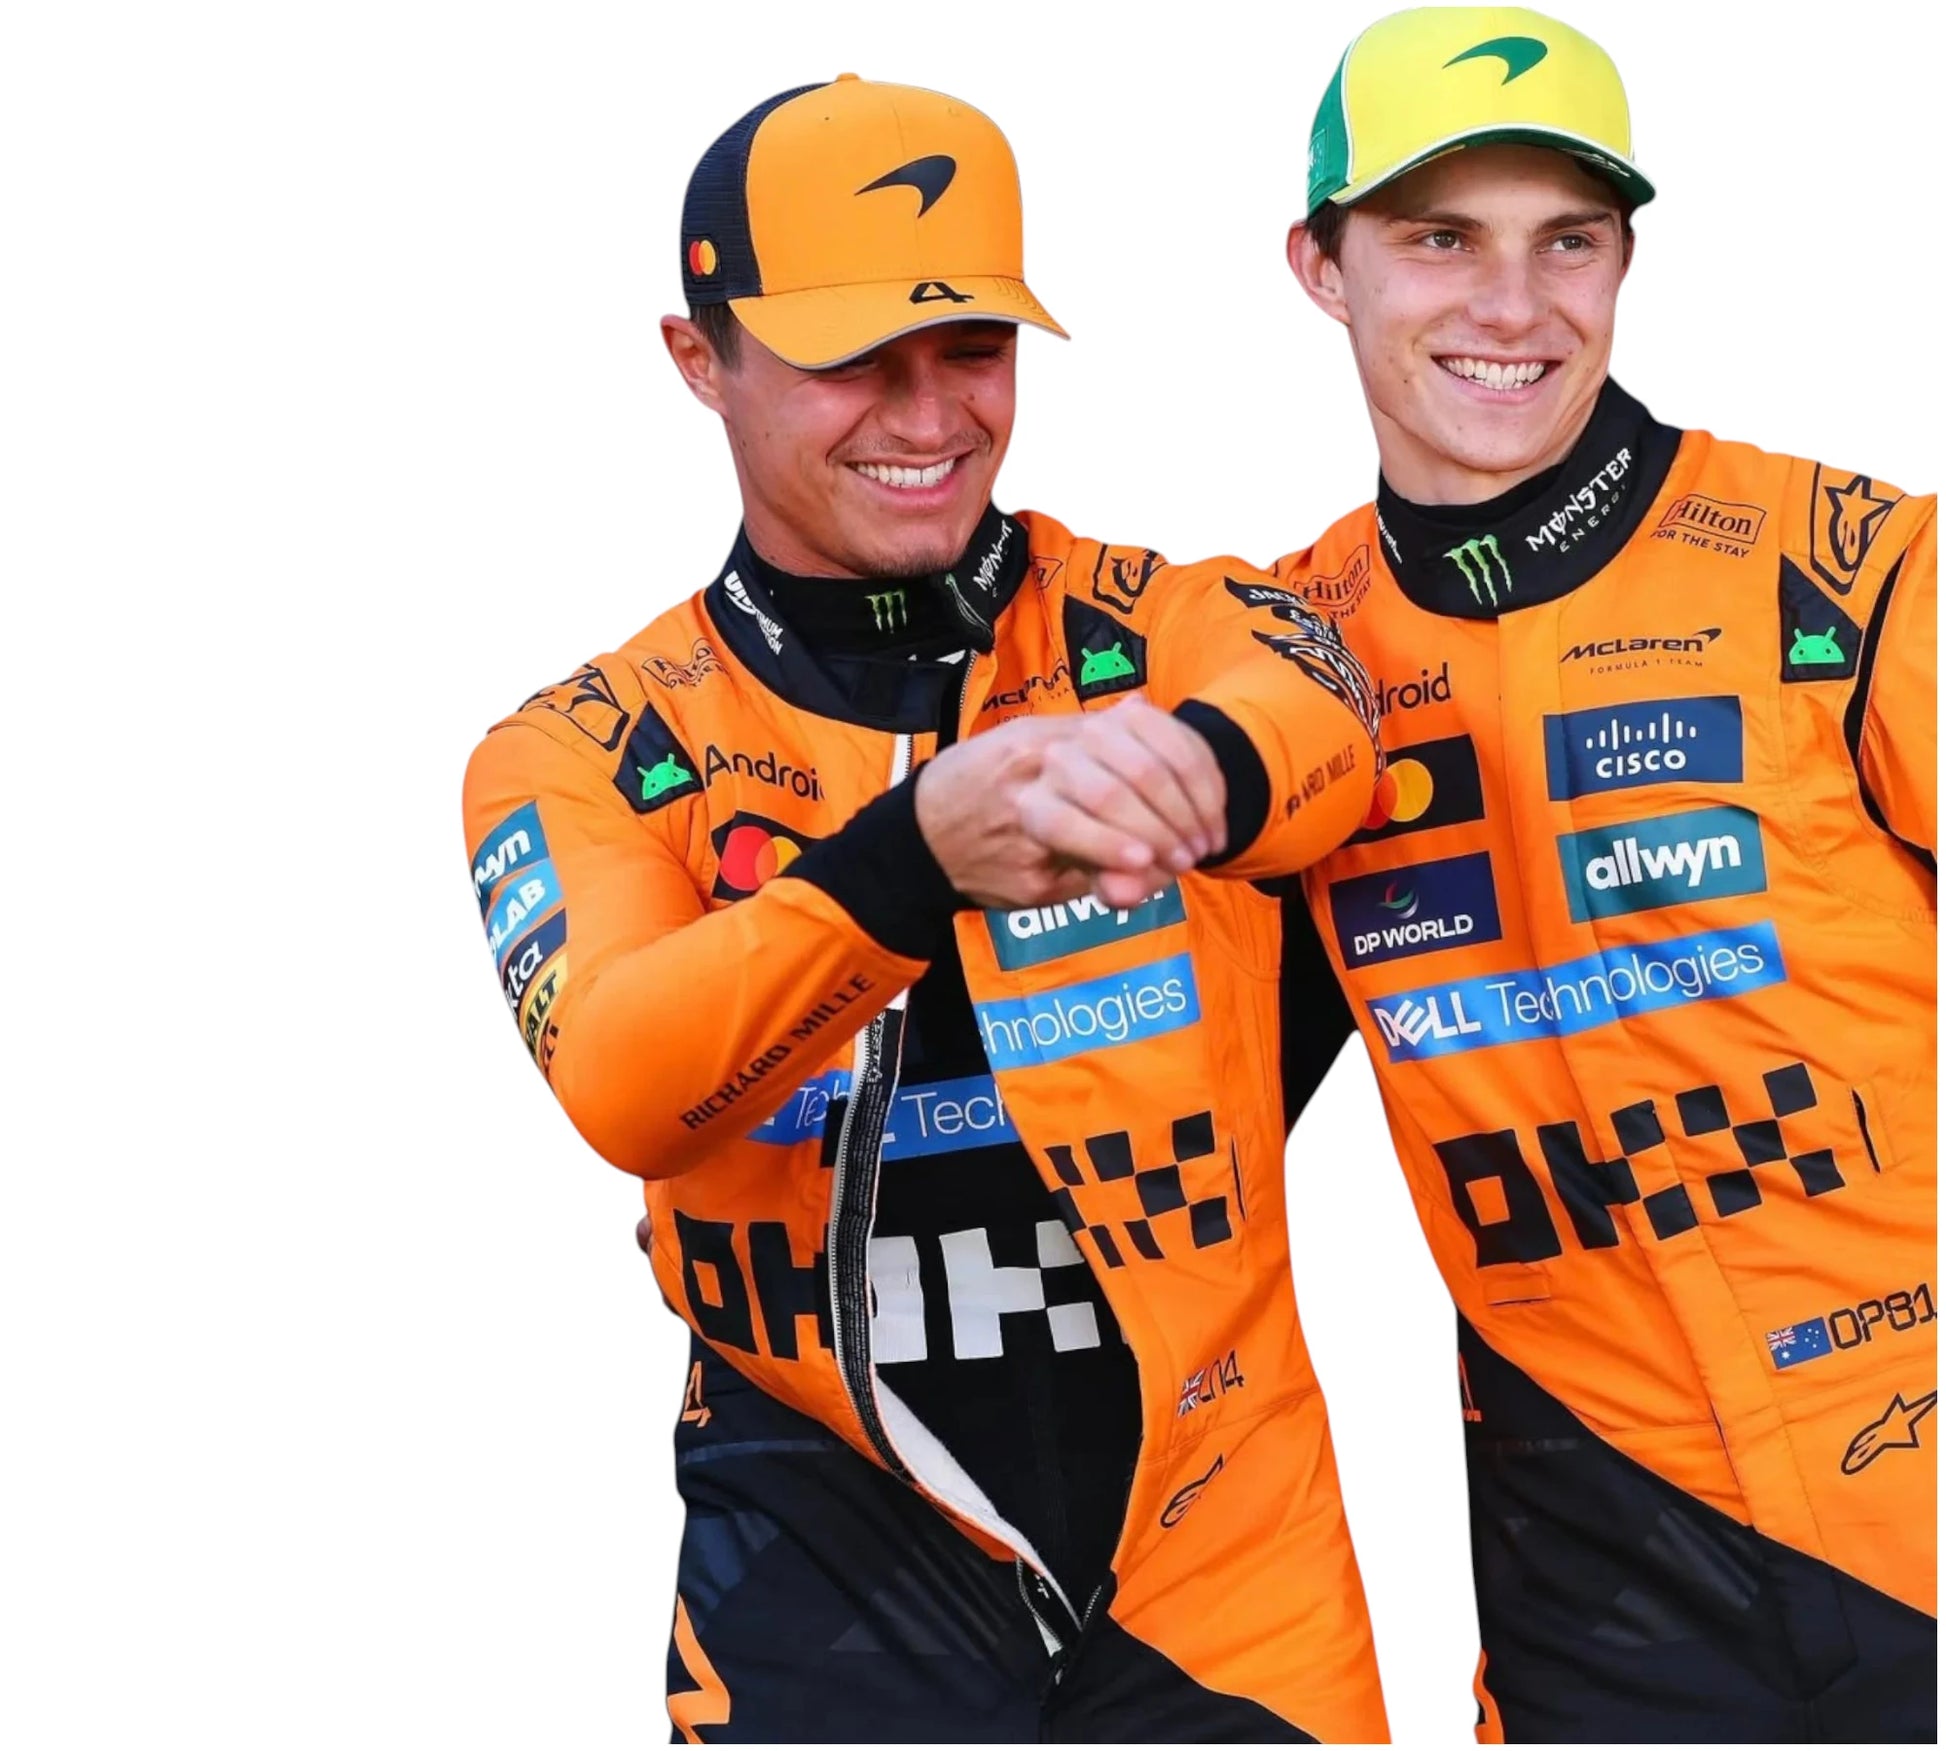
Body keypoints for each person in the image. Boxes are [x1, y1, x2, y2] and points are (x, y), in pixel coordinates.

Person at [462, 76, 1392, 1742]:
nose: (925, 412)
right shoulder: (588, 747)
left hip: (1226, 1565)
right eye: (847, 358)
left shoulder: (1154, 618)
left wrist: (1189, 776)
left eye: (969, 346)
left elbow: (1326, 717)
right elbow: (620, 1078)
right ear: (701, 359)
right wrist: (913, 860)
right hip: (829, 1574)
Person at [1270, 7, 1937, 1741]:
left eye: (1567, 240)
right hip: (1598, 1584)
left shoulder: (1853, 568)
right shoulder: (1280, 665)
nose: (1513, 307)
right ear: (1319, 270)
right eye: (1438, 239)